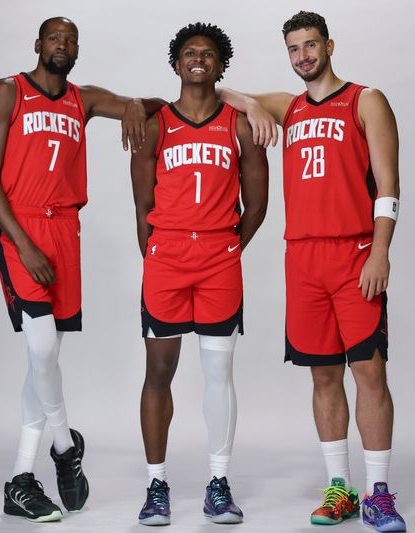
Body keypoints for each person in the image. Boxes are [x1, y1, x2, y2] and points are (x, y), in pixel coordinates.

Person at [219, 10, 405, 532]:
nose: (303, 56)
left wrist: (380, 251)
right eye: (293, 49)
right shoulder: (290, 106)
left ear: (329, 45)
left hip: (354, 254)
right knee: (323, 375)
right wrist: (254, 106)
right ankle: (339, 490)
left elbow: (388, 186)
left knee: (369, 372)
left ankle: (380, 494)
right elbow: (225, 92)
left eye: (310, 46)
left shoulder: (366, 100)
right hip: (302, 260)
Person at [0, 16, 164, 523]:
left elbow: (151, 105)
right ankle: (64, 447)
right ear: (38, 44)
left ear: (77, 49)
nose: (62, 45)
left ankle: (20, 478)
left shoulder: (83, 98)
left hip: (65, 231)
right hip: (21, 228)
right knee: (40, 349)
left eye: (71, 39)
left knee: (45, 359)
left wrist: (134, 107)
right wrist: (23, 243)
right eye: (54, 38)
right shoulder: (9, 91)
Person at [130, 23, 269, 526]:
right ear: (175, 64)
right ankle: (156, 486)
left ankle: (218, 483)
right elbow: (142, 202)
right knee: (159, 373)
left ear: (220, 65)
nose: (198, 60)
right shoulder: (153, 124)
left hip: (218, 262)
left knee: (218, 374)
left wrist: (227, 245)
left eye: (208, 54)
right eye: (189, 53)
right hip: (166, 260)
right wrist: (159, 248)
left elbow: (257, 204)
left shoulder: (240, 125)